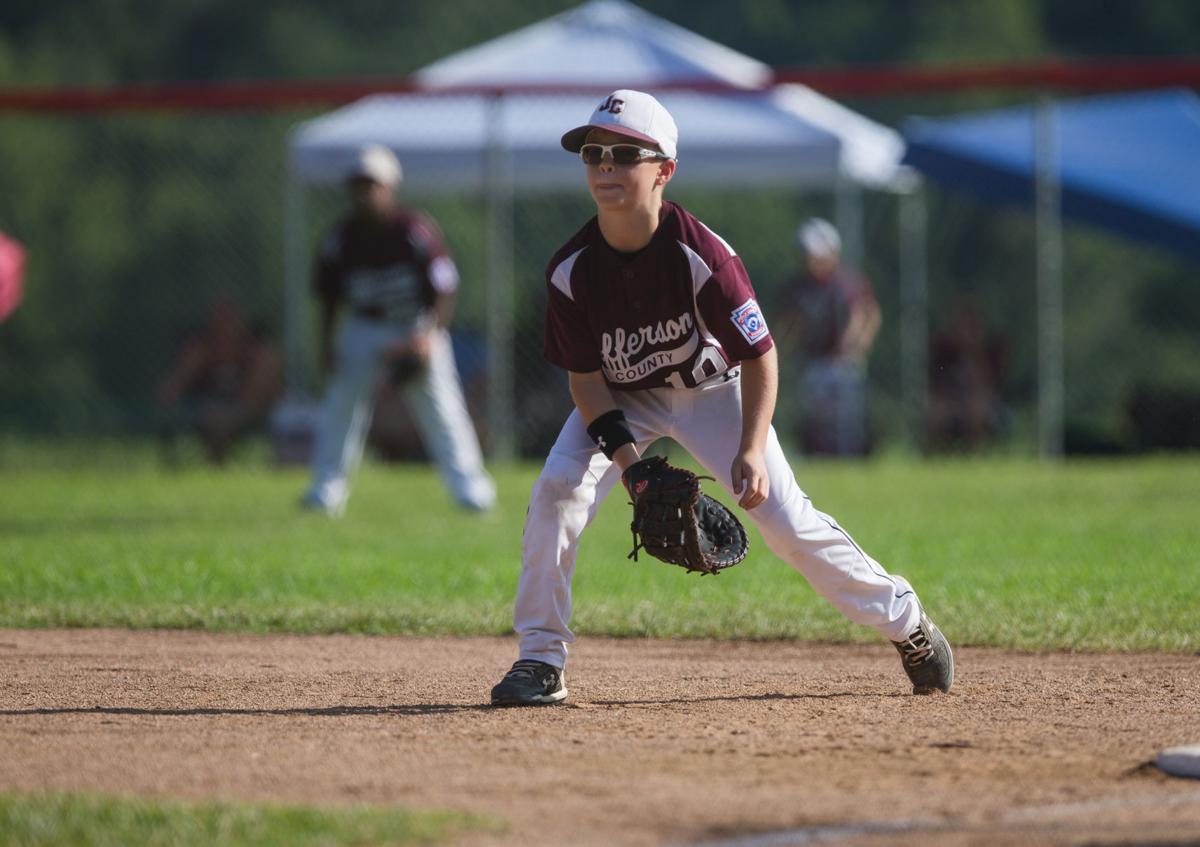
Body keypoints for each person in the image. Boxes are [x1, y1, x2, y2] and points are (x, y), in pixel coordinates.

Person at [488, 90, 952, 707]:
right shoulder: (571, 269)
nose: (604, 165)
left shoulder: (700, 254)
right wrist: (635, 471)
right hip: (625, 400)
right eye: (593, 153)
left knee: (786, 525)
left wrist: (753, 449)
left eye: (625, 153)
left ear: (664, 170)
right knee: (556, 490)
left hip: (714, 391)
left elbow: (761, 355)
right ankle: (541, 659)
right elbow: (587, 381)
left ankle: (906, 621)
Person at [300, 144, 496, 516]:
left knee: (442, 408)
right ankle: (326, 489)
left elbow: (445, 288)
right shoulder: (340, 239)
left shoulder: (414, 231)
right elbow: (327, 300)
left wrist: (429, 335)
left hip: (414, 325)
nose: (364, 193)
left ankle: (471, 489)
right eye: (358, 185)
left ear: (390, 187)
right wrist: (325, 346)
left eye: (372, 184)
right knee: (341, 404)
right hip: (364, 326)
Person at [779, 218, 880, 456]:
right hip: (813, 361)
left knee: (846, 415)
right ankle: (816, 452)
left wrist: (857, 345)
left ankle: (853, 453)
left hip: (842, 361)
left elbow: (867, 313)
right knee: (815, 413)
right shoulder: (799, 286)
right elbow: (791, 322)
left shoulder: (845, 282)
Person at [157, 295, 283, 464]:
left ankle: (218, 465)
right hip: (206, 410)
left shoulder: (253, 353)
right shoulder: (202, 352)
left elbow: (259, 394)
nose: (226, 328)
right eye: (220, 321)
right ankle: (215, 466)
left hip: (244, 412)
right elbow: (170, 390)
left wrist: (234, 412)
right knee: (214, 419)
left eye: (230, 321)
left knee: (223, 420)